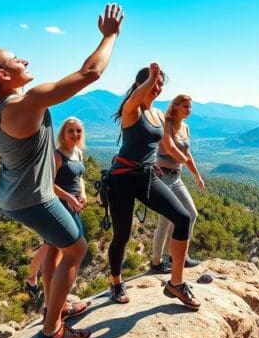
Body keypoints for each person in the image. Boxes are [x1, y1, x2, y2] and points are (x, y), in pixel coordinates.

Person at [0, 4, 124, 338]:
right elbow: (90, 73)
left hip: (12, 196)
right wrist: (110, 35)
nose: (25, 62)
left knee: (57, 250)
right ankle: (51, 331)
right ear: (2, 75)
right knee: (76, 249)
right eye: (17, 59)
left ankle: (54, 305)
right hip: (34, 198)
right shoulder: (25, 103)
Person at [106, 64, 200, 309]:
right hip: (123, 179)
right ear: (140, 84)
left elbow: (167, 143)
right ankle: (116, 282)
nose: (157, 88)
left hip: (148, 176)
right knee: (122, 235)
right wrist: (150, 77)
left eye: (160, 84)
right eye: (153, 83)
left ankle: (176, 283)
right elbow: (137, 98)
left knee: (182, 217)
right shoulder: (132, 110)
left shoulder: (158, 115)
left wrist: (187, 162)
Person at [25, 117, 88, 300]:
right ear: (63, 133)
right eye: (71, 131)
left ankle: (38, 281)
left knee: (53, 245)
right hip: (59, 205)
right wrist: (69, 198)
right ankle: (51, 289)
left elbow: (80, 178)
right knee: (59, 246)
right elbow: (48, 184)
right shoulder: (57, 155)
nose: (75, 134)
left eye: (78, 131)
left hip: (73, 205)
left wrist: (82, 194)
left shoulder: (78, 153)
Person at [149, 94, 205, 273]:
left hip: (177, 177)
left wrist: (197, 176)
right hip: (162, 177)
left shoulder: (186, 128)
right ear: (175, 107)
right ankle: (156, 262)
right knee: (164, 222)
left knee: (191, 214)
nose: (188, 110)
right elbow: (170, 148)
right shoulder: (167, 124)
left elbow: (188, 155)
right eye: (185, 107)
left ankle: (178, 256)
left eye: (190, 107)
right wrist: (185, 161)